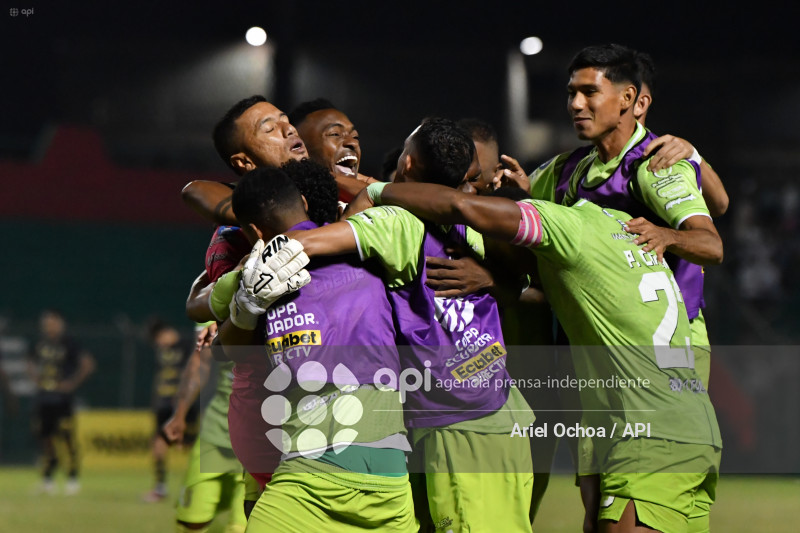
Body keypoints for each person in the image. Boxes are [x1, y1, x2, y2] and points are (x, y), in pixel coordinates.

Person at [361, 179, 722, 533]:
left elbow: (462, 207)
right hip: (693, 426)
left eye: (490, 247)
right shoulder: (612, 227)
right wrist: (494, 282)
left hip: (648, 439)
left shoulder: (565, 229)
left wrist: (373, 188)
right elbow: (550, 289)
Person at [279, 118, 536, 533]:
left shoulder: (397, 222)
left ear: (409, 162)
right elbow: (528, 277)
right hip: (501, 410)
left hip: (459, 424)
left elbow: (312, 246)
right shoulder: (471, 225)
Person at [216, 165, 416, 532]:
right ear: (304, 202)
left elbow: (221, 341)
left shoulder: (250, 278)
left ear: (254, 232)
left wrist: (245, 307)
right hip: (388, 483)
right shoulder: (372, 247)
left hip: (308, 477)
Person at [161, 323, 246, 533]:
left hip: (263, 439)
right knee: (192, 521)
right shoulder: (214, 301)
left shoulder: (291, 303)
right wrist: (179, 414)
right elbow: (200, 361)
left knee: (242, 527)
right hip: (216, 430)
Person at [27, 309, 95, 495]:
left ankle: (73, 478)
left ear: (60, 323)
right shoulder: (40, 343)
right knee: (45, 439)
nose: (48, 325)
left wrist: (71, 383)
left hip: (62, 400)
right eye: (45, 322)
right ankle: (47, 479)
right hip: (44, 398)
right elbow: (29, 362)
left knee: (67, 439)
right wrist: (35, 379)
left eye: (51, 322)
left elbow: (88, 364)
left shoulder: (69, 343)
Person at [144, 319, 198, 502]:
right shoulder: (162, 352)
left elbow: (196, 373)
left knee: (191, 448)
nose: (158, 344)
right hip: (164, 406)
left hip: (185, 406)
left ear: (166, 332)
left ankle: (193, 489)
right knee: (159, 445)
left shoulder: (188, 346)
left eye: (158, 339)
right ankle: (160, 489)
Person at [288, 98, 379, 201]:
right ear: (300, 148)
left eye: (355, 136)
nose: (353, 143)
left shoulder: (376, 208)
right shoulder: (292, 206)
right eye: (335, 134)